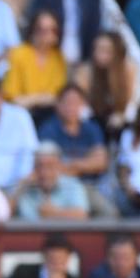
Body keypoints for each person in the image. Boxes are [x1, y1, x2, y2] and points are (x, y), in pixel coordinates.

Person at [37, 82, 107, 212]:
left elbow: (100, 162)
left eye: (75, 102)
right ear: (58, 105)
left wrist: (72, 165)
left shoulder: (91, 128)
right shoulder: (48, 130)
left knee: (109, 214)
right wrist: (85, 165)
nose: (71, 107)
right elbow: (49, 168)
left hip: (89, 185)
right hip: (59, 187)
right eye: (66, 102)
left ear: (83, 105)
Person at [2, 8, 66, 121]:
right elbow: (12, 98)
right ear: (33, 30)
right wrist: (40, 99)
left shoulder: (59, 57)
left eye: (52, 30)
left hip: (51, 115)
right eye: (41, 30)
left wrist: (32, 99)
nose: (47, 35)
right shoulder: (18, 54)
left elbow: (57, 97)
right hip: (21, 114)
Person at [73, 30, 139, 137]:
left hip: (120, 119)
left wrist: (121, 116)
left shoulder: (129, 70)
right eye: (97, 49)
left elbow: (132, 101)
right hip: (93, 120)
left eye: (105, 50)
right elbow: (81, 105)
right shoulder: (85, 71)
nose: (99, 54)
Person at [13, 142, 88, 222]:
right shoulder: (26, 189)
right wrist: (20, 188)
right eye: (40, 166)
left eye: (50, 166)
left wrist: (55, 214)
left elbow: (82, 215)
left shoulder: (72, 185)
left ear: (59, 166)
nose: (44, 172)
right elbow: (5, 215)